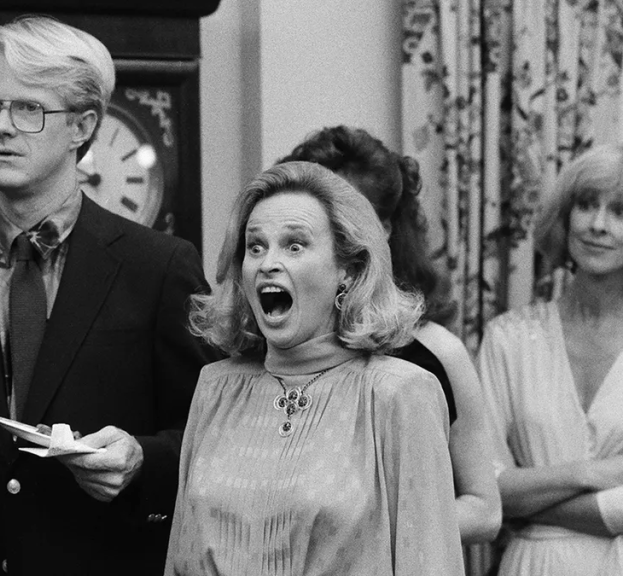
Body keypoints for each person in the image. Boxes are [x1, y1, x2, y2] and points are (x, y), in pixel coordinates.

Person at [0, 15, 216, 576]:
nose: (0, 127)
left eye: (28, 109)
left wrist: (142, 458)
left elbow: (214, 430)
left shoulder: (159, 267)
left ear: (82, 126)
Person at [166, 162, 464, 575]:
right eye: (256, 247)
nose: (268, 263)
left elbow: (430, 562)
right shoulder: (216, 387)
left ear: (348, 270)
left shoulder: (399, 393)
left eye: (294, 245)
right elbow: (180, 559)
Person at [281, 125, 502, 543]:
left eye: (345, 219)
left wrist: (363, 534)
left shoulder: (439, 352)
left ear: (384, 228)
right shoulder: (264, 346)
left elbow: (485, 510)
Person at [477, 144, 623, 574]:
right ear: (564, 217)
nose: (598, 225)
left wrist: (525, 499)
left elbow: (504, 496)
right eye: (586, 205)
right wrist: (593, 473)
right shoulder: (508, 339)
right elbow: (484, 487)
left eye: (619, 212)